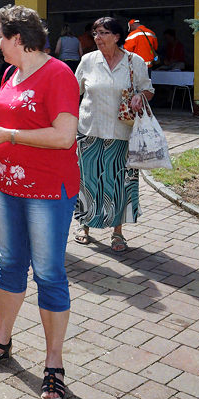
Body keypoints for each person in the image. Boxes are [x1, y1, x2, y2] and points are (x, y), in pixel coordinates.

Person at [0, 5, 80, 399]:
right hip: (9, 188)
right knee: (9, 265)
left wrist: (12, 136)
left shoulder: (58, 75)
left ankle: (53, 364)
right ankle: (2, 341)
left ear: (18, 38)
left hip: (48, 192)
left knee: (49, 274)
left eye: (1, 37)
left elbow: (65, 136)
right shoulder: (9, 74)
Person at [74, 16, 154, 252]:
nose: (97, 38)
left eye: (103, 33)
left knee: (119, 183)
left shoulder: (134, 61)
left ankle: (117, 232)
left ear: (117, 36)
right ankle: (83, 225)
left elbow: (147, 89)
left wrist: (141, 97)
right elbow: (73, 91)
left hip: (122, 132)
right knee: (87, 182)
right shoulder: (88, 60)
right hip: (90, 130)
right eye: (95, 33)